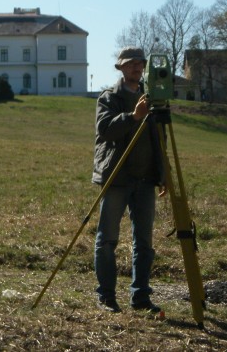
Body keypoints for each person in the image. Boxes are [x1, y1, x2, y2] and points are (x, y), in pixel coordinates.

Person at [92, 47, 162, 314]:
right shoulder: (109, 98)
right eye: (130, 64)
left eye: (140, 63)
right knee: (107, 239)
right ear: (120, 68)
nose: (136, 68)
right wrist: (133, 116)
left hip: (145, 180)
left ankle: (140, 297)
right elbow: (105, 130)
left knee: (144, 242)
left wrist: (162, 175)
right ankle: (106, 296)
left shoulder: (152, 98)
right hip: (116, 178)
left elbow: (159, 140)